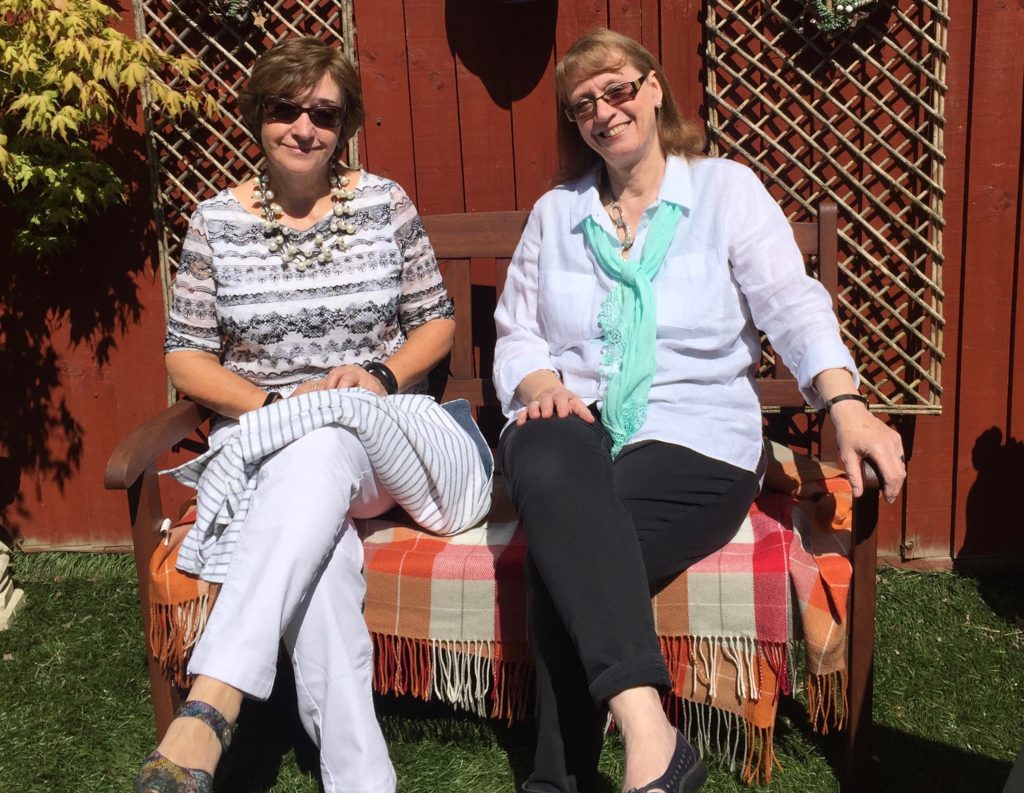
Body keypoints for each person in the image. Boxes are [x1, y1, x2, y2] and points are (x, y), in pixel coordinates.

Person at [493, 28, 907, 793]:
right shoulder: (558, 213)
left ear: (653, 90)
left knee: (565, 555)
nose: (604, 112)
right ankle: (654, 738)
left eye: (617, 90)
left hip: (696, 437)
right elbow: (517, 332)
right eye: (583, 104)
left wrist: (844, 399)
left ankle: (558, 781)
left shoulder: (723, 190)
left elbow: (789, 301)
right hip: (575, 428)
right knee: (549, 445)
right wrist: (539, 383)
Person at [135, 36, 477, 793]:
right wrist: (276, 404)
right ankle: (362, 781)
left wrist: (381, 375)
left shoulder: (384, 204)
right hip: (274, 449)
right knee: (319, 564)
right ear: (259, 116)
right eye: (285, 109)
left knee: (326, 433)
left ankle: (213, 698)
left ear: (344, 123)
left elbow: (438, 323)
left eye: (322, 113)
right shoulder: (216, 223)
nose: (303, 127)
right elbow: (186, 355)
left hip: (387, 441)